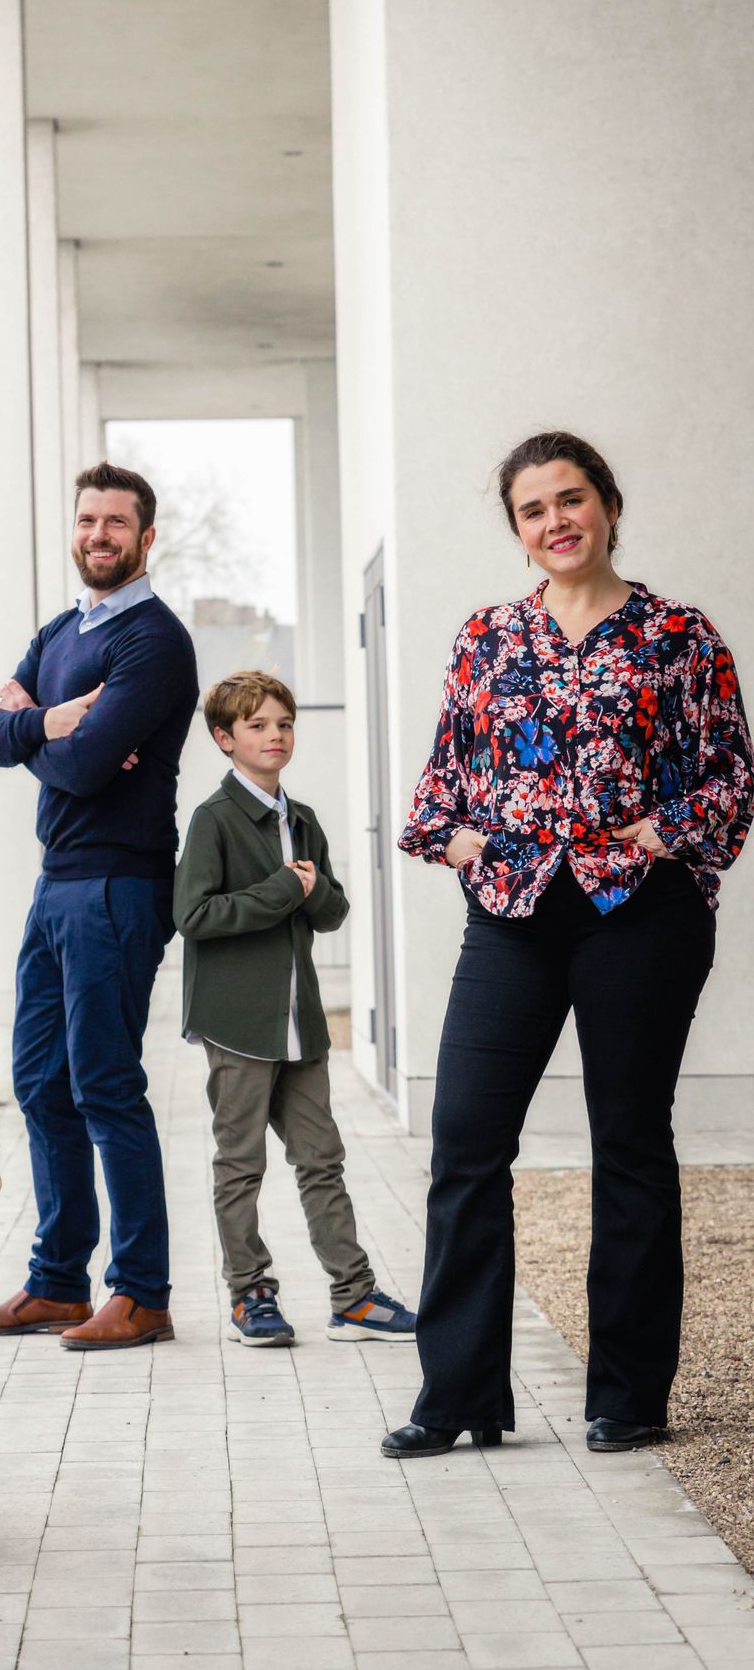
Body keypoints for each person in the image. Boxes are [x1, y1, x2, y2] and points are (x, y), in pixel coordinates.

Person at [382, 431, 753, 1460]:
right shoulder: (488, 637)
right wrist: (453, 837)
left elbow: (729, 777)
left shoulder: (679, 636)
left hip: (639, 913)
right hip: (511, 912)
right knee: (465, 1139)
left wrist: (661, 832)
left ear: (608, 505)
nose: (556, 521)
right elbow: (441, 782)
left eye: (570, 498)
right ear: (516, 529)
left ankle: (628, 1395)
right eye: (533, 509)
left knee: (626, 1139)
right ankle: (458, 1394)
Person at [0, 462, 197, 1350]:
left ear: (146, 536)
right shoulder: (62, 631)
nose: (99, 535)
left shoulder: (155, 641)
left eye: (117, 522)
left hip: (118, 885)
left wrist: (37, 726)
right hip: (55, 881)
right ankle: (58, 1283)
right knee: (39, 1083)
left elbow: (88, 769)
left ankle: (141, 1292)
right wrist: (53, 725)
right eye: (88, 520)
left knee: (104, 1083)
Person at [175, 671, 416, 1348]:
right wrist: (284, 890)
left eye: (284, 724)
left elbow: (332, 910)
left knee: (322, 1160)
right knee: (241, 1165)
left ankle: (354, 1298)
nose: (275, 735)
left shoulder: (302, 819)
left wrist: (310, 892)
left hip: (300, 1025)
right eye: (256, 725)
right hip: (237, 1025)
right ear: (225, 739)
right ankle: (250, 1296)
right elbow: (192, 915)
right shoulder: (214, 819)